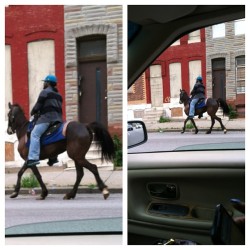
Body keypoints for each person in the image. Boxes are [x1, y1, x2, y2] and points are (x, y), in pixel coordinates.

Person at [26, 74, 63, 167]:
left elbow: (38, 106)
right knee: (52, 137)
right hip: (58, 120)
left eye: (45, 82)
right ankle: (53, 157)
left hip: (47, 119)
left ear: (48, 83)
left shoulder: (44, 92)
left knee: (35, 134)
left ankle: (33, 158)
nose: (44, 84)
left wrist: (33, 111)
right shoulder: (59, 95)